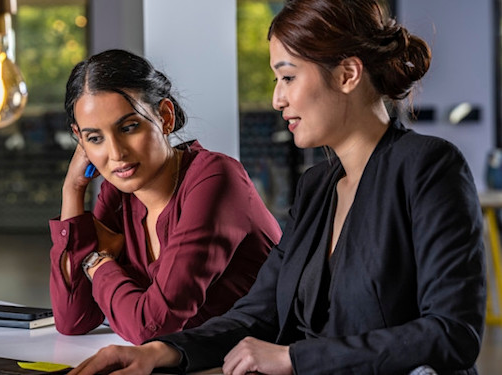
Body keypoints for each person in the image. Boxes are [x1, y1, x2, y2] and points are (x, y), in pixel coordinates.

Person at [68, 0, 486, 374]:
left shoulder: (428, 166)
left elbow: (452, 334)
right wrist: (163, 352)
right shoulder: (318, 187)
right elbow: (256, 313)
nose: (277, 99)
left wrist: (293, 358)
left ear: (347, 74)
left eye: (287, 77)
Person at [49, 49, 282, 345]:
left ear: (165, 117)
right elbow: (73, 319)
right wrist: (72, 189)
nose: (117, 153)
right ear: (80, 140)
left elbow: (152, 327)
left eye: (129, 127)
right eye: (95, 138)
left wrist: (98, 263)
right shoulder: (120, 193)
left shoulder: (215, 179)